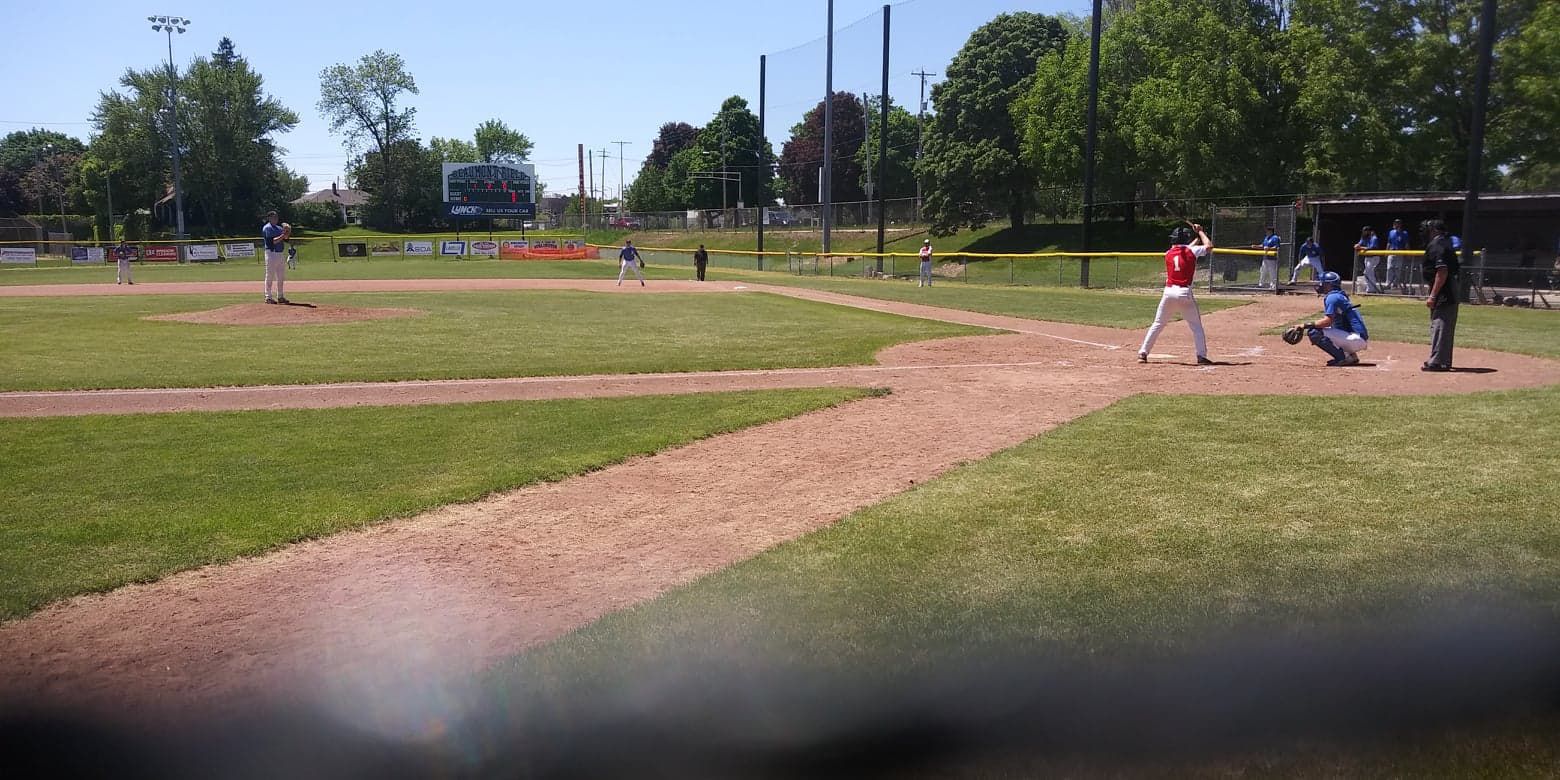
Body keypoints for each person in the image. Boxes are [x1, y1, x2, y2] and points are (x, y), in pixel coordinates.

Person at [1138, 222, 1213, 365]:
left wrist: (1197, 235)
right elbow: (1208, 246)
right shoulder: (1191, 251)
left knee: (1158, 324)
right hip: (1184, 293)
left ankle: (1143, 352)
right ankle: (1201, 356)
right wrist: (1202, 233)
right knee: (1196, 327)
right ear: (1186, 240)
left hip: (1168, 293)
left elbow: (1185, 249)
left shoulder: (1168, 253)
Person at [1298, 271, 1369, 366]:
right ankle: (1351, 356)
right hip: (1357, 338)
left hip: (1355, 339)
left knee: (1314, 332)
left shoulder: (1332, 297)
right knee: (1333, 326)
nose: (1320, 285)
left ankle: (1343, 358)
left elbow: (1327, 321)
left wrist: (1304, 325)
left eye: (1322, 282)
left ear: (1329, 285)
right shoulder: (1339, 296)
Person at [1421, 219, 1459, 371]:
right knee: (1441, 324)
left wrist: (1433, 295)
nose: (1426, 232)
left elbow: (1442, 271)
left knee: (1440, 323)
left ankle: (1438, 361)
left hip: (1445, 290)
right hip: (1447, 288)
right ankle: (1442, 360)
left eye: (1429, 229)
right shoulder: (1444, 242)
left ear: (1435, 230)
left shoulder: (1438, 245)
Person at [261, 210, 289, 304]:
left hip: (280, 253)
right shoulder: (267, 228)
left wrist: (287, 231)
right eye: (273, 217)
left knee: (281, 277)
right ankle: (268, 297)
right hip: (271, 253)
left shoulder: (278, 228)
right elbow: (272, 242)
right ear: (269, 218)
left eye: (276, 217)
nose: (276, 219)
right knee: (270, 275)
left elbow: (286, 239)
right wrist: (283, 234)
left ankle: (280, 296)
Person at [1386, 218, 1410, 292]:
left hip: (1399, 253)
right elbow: (1389, 242)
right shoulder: (1391, 232)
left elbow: (1406, 244)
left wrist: (1408, 253)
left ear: (1400, 224)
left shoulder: (1404, 233)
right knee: (1389, 268)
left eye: (1398, 223)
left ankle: (1395, 284)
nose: (1396, 224)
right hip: (1391, 252)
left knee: (1397, 269)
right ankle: (1388, 284)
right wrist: (1386, 252)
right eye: (1395, 223)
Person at [1355, 226, 1382, 293]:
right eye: (1364, 231)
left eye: (1366, 231)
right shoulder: (1364, 237)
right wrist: (1357, 245)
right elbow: (1360, 243)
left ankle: (1372, 289)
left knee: (1370, 272)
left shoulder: (1374, 238)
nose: (1364, 233)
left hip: (1374, 258)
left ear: (1370, 231)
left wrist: (1361, 247)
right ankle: (1370, 288)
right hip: (1367, 257)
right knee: (1366, 273)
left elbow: (1372, 248)